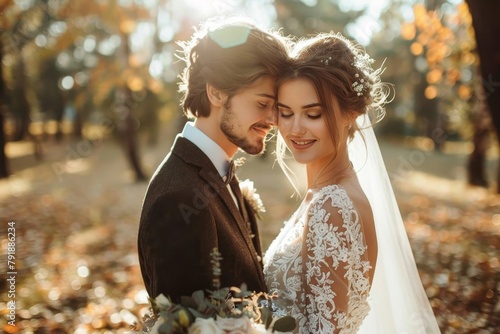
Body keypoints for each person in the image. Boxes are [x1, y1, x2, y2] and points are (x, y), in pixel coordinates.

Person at [263, 32, 441, 333]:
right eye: (285, 112)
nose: (295, 128)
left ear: (351, 112)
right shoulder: (324, 196)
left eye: (313, 113)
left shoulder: (333, 205)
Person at [138, 18, 290, 302]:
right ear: (216, 91)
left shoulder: (218, 171)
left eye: (276, 107)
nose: (273, 121)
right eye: (262, 104)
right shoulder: (177, 199)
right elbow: (191, 325)